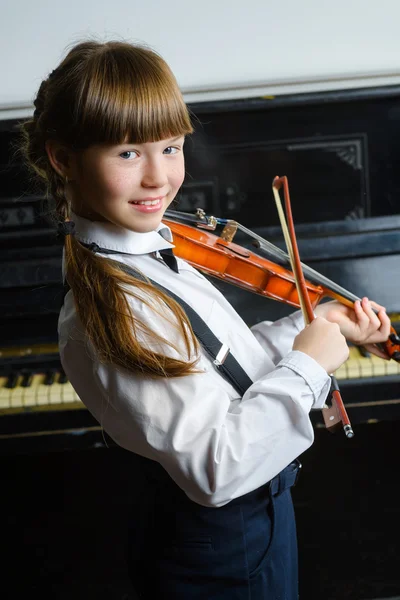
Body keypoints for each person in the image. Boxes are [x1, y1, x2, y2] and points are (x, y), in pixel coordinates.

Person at [20, 40, 390, 600]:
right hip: (221, 545)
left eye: (171, 148)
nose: (158, 178)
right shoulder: (117, 306)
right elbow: (216, 468)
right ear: (63, 158)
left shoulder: (153, 249)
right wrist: (308, 366)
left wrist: (316, 328)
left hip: (255, 523)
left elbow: (224, 370)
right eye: (127, 154)